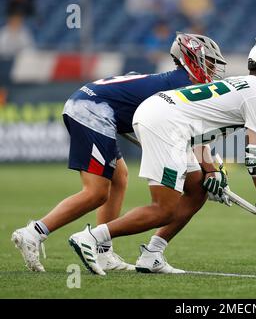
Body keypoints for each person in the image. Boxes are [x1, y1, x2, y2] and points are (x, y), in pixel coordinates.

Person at [68, 37, 256, 275]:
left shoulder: (243, 85)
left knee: (198, 189)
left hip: (166, 118)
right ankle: (91, 237)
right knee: (164, 209)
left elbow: (200, 128)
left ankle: (152, 254)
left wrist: (214, 171)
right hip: (165, 124)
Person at [11, 32, 227, 273]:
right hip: (92, 111)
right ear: (192, 59)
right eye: (209, 61)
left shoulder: (176, 81)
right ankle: (33, 233)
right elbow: (194, 136)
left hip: (96, 108)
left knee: (119, 177)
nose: (213, 68)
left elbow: (189, 134)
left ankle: (102, 252)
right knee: (96, 193)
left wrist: (211, 167)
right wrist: (211, 168)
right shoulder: (184, 85)